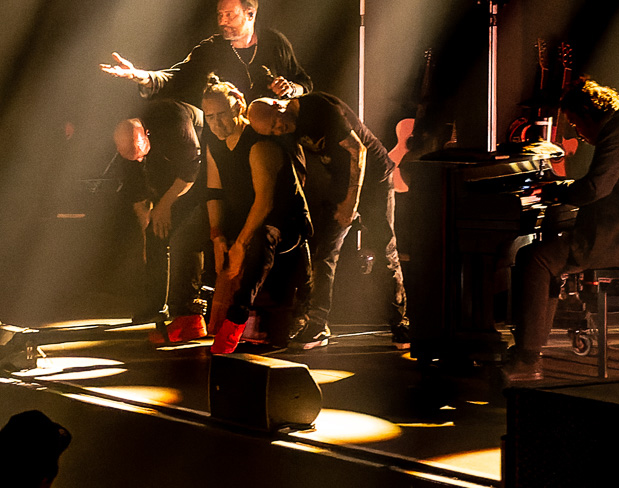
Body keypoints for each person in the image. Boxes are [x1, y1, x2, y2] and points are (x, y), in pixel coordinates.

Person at [502, 78, 619, 379]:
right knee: (547, 256)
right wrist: (559, 188)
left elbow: (595, 188)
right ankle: (529, 348)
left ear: (587, 113)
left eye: (575, 124)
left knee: (535, 258)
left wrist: (553, 192)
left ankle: (528, 357)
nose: (578, 134)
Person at [248, 94, 409, 349]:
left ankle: (401, 324)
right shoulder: (286, 127)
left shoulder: (320, 109)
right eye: (271, 131)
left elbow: (359, 150)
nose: (279, 131)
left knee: (384, 249)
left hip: (375, 178)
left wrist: (350, 203)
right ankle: (317, 325)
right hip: (340, 183)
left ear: (280, 106)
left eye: (277, 124)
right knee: (324, 252)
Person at [204, 78, 312, 354]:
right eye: (210, 117)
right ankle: (188, 314)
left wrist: (239, 244)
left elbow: (265, 204)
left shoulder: (260, 145)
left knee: (261, 239)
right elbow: (214, 192)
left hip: (283, 224)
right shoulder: (214, 144)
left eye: (222, 115)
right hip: (246, 218)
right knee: (191, 228)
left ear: (238, 106)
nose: (216, 124)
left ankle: (236, 319)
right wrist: (217, 235)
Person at [101, 0, 313, 107]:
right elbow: (176, 76)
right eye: (220, 15)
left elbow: (304, 83)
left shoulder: (275, 42)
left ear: (250, 14)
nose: (222, 21)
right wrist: (138, 75)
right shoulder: (212, 49)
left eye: (229, 14)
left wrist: (290, 89)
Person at [115, 98, 210, 342]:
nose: (136, 159)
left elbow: (192, 167)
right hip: (170, 172)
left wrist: (165, 205)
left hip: (201, 167)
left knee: (183, 234)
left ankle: (190, 312)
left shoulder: (170, 118)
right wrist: (147, 227)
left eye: (138, 153)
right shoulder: (129, 148)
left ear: (145, 134)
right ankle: (155, 307)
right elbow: (137, 192)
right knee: (156, 235)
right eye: (129, 156)